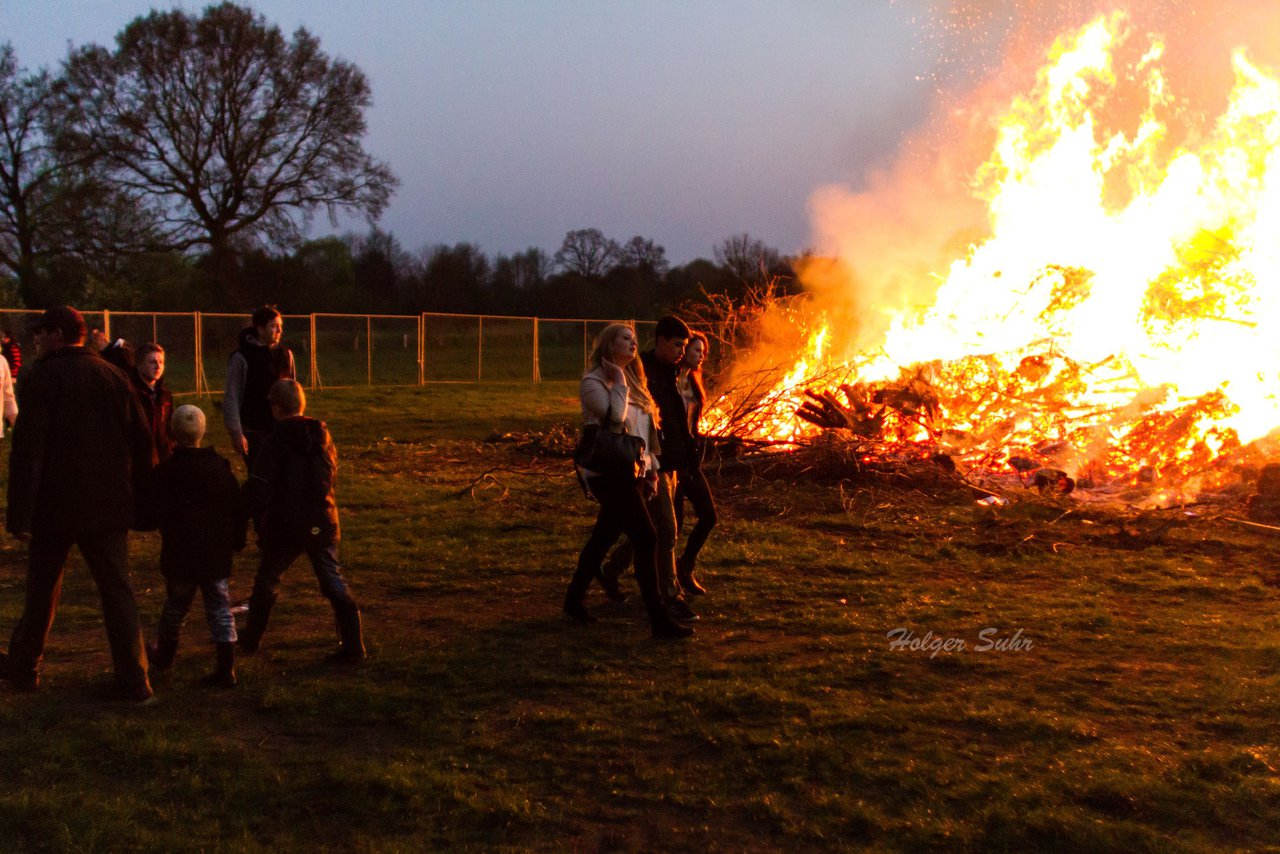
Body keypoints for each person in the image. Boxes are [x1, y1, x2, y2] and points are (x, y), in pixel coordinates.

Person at [0, 306, 156, 701]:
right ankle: (135, 679)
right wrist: (142, 498)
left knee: (42, 591)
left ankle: (25, 669)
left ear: (56, 334)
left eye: (40, 333)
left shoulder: (43, 377)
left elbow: (29, 450)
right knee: (117, 591)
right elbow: (143, 442)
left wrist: (19, 512)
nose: (35, 340)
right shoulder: (114, 375)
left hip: (56, 506)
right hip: (108, 504)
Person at [563, 323, 692, 639]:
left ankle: (573, 600)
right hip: (607, 473)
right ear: (609, 344)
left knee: (604, 536)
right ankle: (659, 620)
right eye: (625, 338)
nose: (633, 343)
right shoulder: (593, 382)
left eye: (635, 339)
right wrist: (618, 380)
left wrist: (651, 468)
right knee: (647, 537)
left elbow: (644, 432)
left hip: (633, 471)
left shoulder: (636, 380)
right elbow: (614, 419)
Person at [238, 379, 365, 662]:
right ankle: (354, 645)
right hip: (321, 519)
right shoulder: (323, 436)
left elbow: (260, 486)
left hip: (285, 524)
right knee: (332, 579)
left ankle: (251, 639)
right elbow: (329, 475)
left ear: (276, 407)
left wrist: (243, 512)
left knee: (268, 580)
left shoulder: (274, 442)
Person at [599, 316, 698, 622]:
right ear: (662, 341)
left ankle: (609, 569)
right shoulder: (641, 371)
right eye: (678, 344)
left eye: (685, 345)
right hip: (649, 463)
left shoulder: (672, 372)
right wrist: (651, 462)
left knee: (648, 530)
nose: (682, 350)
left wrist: (687, 453)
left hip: (668, 461)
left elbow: (673, 418)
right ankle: (669, 596)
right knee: (666, 530)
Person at [144, 405, 247, 688]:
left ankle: (165, 657)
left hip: (181, 555)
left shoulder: (167, 472)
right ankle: (226, 668)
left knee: (176, 608)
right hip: (215, 555)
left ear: (172, 433)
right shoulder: (220, 469)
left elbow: (152, 511)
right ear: (203, 432)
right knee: (219, 608)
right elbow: (237, 508)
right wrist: (238, 540)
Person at [673, 331, 718, 594]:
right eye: (696, 350)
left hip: (690, 461)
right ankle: (615, 568)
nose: (701, 355)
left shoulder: (693, 383)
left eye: (703, 351)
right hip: (671, 461)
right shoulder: (669, 382)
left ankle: (685, 566)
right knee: (670, 525)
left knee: (709, 517)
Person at [224, 306, 295, 466]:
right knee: (260, 476)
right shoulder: (242, 357)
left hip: (282, 429)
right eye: (274, 326)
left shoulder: (285, 355)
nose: (279, 330)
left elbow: (293, 393)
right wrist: (236, 432)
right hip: (255, 429)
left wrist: (296, 424)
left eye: (280, 326)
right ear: (260, 328)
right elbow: (232, 396)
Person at [133, 343, 176, 462]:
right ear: (140, 365)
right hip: (140, 459)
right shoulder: (132, 394)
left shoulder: (165, 395)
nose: (158, 366)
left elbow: (170, 426)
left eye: (161, 362)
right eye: (152, 362)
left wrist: (170, 446)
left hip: (163, 458)